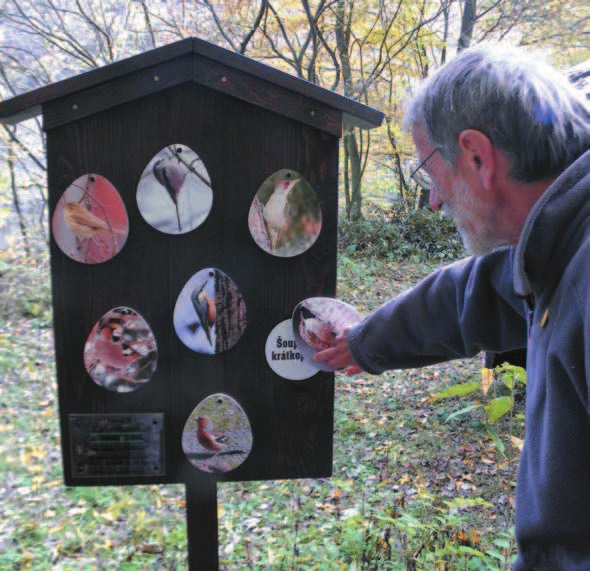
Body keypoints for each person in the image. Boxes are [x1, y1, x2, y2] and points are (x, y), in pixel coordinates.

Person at [315, 44, 590, 570]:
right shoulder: (556, 244)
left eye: (429, 172)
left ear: (478, 156)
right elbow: (473, 293)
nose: (435, 200)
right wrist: (364, 340)